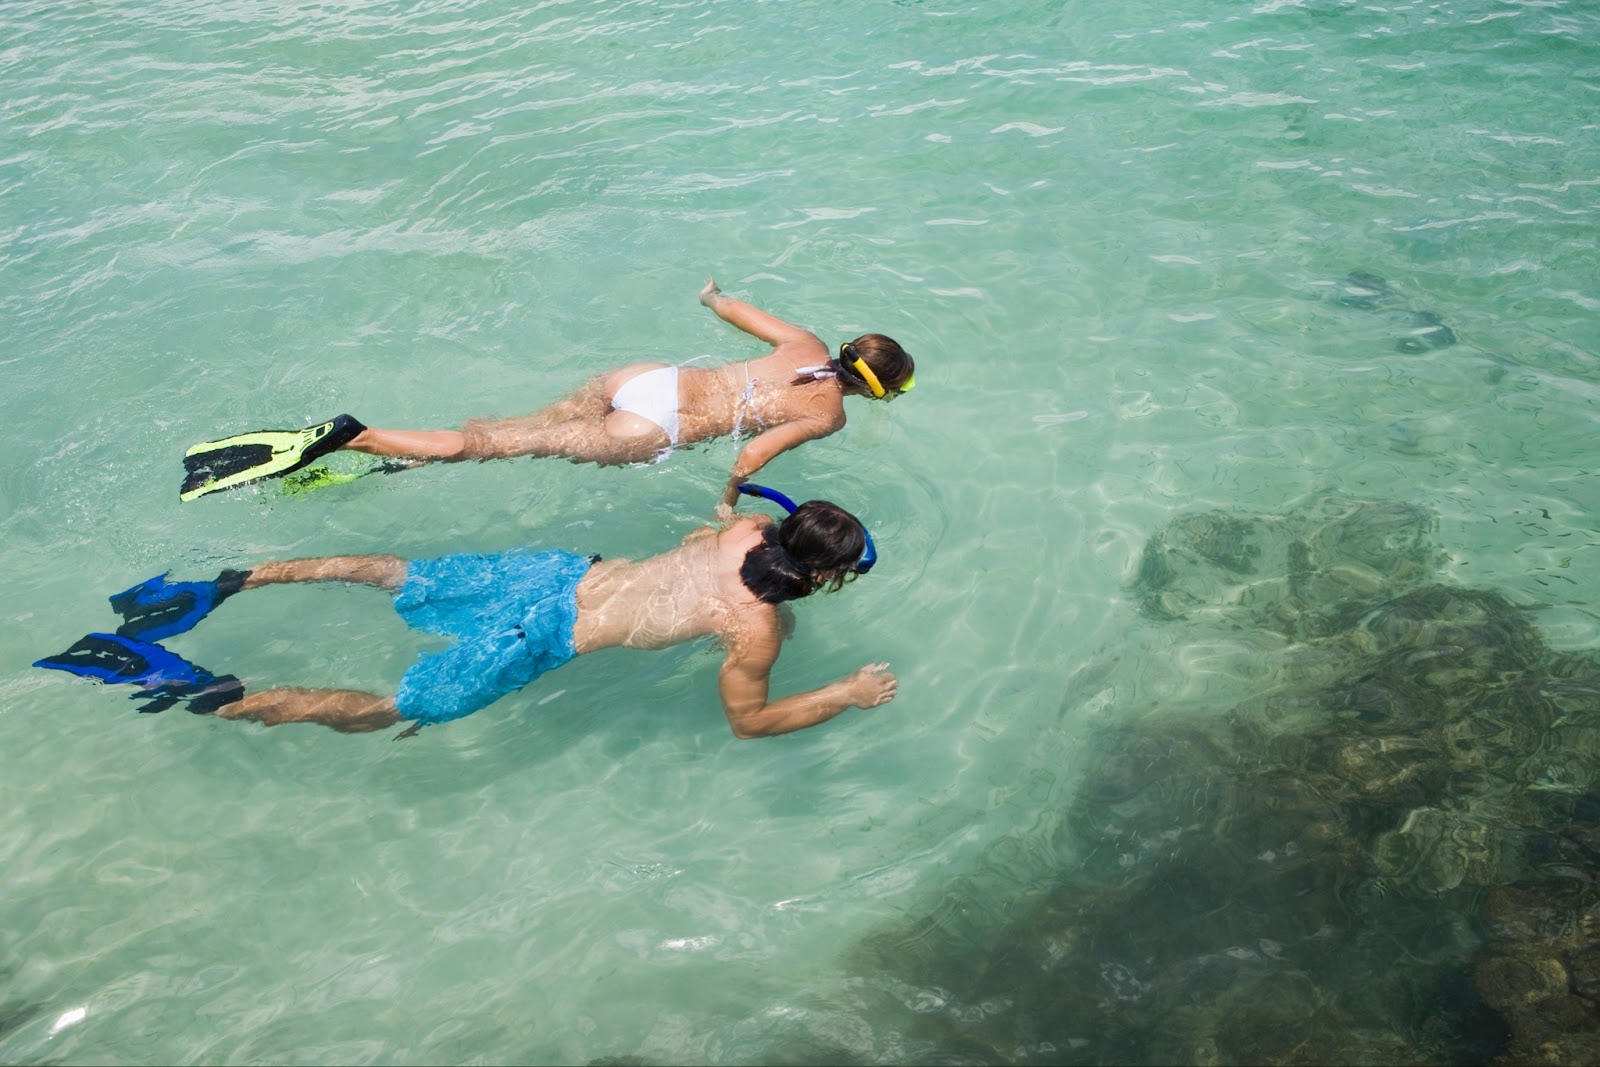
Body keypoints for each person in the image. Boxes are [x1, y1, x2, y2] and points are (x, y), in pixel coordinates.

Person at [35, 491, 899, 738]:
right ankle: (203, 690)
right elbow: (747, 719)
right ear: (822, 577)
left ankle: (226, 582)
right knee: (396, 709)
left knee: (390, 571)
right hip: (546, 635)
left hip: (554, 572)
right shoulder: (758, 629)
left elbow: (705, 531)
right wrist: (845, 693)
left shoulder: (741, 528)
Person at [181, 279, 916, 507]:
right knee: (492, 445)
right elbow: (754, 452)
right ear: (872, 392)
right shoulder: (828, 413)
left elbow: (723, 305)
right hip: (650, 429)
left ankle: (396, 458)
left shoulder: (806, 345)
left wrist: (712, 292)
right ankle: (360, 434)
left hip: (647, 377)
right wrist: (726, 503)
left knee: (510, 430)